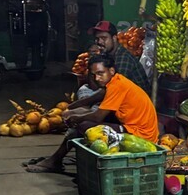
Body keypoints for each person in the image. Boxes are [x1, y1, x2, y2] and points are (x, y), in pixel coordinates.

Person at [25, 53, 158, 173]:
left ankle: (55, 161)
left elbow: (98, 116)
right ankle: (56, 159)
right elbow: (95, 97)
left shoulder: (118, 86)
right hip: (131, 125)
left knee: (84, 126)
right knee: (86, 121)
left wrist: (76, 118)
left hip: (140, 134)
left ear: (111, 71)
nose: (97, 78)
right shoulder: (116, 80)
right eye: (94, 75)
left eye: (101, 73)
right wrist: (71, 107)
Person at [89, 20, 150, 89]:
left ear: (114, 38)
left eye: (103, 38)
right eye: (97, 38)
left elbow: (115, 88)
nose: (99, 42)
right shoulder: (107, 56)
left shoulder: (124, 58)